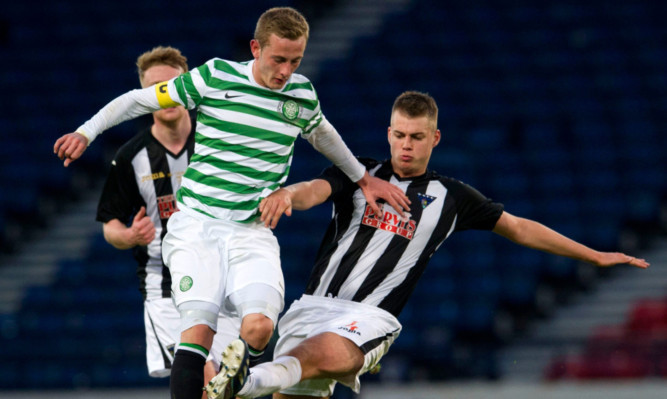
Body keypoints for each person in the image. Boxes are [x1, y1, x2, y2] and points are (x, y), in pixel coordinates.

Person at [53, 7, 409, 399]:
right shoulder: (215, 76)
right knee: (198, 332)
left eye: (295, 61)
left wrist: (362, 178)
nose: (286, 71)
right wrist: (86, 132)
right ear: (256, 48)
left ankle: (230, 382)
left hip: (250, 232)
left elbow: (321, 132)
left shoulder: (301, 95)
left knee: (259, 328)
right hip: (196, 229)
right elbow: (139, 100)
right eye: (278, 59)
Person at [208, 90, 650, 399]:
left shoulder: (452, 198)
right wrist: (288, 195)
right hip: (313, 305)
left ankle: (241, 383)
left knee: (331, 354)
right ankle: (240, 383)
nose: (406, 145)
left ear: (434, 138)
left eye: (416, 137)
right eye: (399, 135)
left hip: (369, 315)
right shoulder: (358, 172)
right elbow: (312, 190)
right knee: (300, 376)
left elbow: (519, 228)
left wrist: (593, 254)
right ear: (388, 133)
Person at [95, 46, 240, 396]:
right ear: (144, 97)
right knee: (204, 377)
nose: (166, 95)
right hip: (164, 284)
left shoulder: (217, 140)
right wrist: (129, 235)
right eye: (155, 88)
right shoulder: (130, 157)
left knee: (226, 384)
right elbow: (109, 225)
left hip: (222, 275)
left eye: (173, 84)